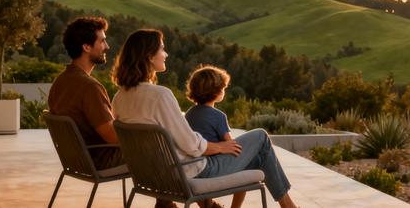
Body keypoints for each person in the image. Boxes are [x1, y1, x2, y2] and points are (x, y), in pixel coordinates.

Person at [111, 29, 298, 208]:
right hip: (190, 172)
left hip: (152, 175)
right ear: (150, 57)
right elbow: (191, 144)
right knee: (261, 138)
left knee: (259, 159)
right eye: (161, 49)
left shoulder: (119, 97)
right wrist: (220, 147)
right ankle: (289, 207)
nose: (166, 54)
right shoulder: (160, 96)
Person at [47, 17, 176, 208]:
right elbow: (113, 137)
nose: (107, 46)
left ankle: (168, 206)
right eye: (102, 41)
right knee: (162, 147)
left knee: (157, 146)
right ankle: (187, 205)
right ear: (86, 47)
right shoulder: (89, 87)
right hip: (100, 159)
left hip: (78, 159)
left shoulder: (60, 83)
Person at [184, 65, 243, 208]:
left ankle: (208, 206)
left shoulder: (189, 113)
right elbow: (231, 145)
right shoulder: (218, 116)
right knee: (245, 161)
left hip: (193, 165)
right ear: (215, 92)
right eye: (223, 88)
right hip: (212, 167)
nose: (224, 91)